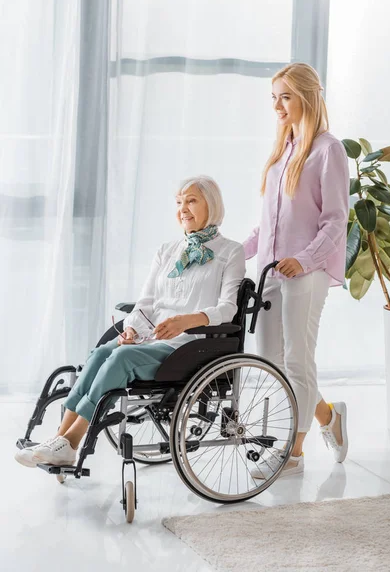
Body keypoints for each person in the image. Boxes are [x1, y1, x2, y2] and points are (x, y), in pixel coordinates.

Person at [15, 176, 245, 468]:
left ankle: (72, 441)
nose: (183, 209)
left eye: (191, 200)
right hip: (149, 336)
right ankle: (58, 440)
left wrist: (187, 321)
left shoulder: (231, 252)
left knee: (121, 357)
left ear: (211, 204)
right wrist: (131, 328)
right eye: (178, 202)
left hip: (187, 345)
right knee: (101, 353)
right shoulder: (166, 251)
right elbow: (145, 303)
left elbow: (227, 308)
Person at [244, 63, 349, 478]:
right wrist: (237, 251)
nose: (277, 106)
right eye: (274, 97)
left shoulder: (328, 150)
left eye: (285, 96)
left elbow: (336, 221)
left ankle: (292, 453)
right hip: (270, 272)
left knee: (297, 360)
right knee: (271, 359)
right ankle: (328, 417)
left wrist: (304, 260)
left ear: (307, 96)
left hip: (307, 273)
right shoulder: (280, 151)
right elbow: (267, 224)